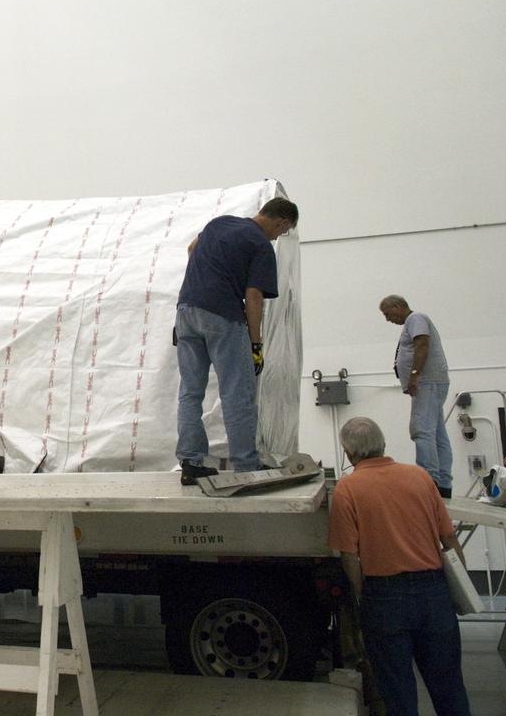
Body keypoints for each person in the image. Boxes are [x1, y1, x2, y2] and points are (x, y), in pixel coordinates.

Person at [327, 417, 471, 716]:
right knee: (449, 687)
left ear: (348, 452)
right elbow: (448, 539)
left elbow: (349, 556)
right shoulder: (419, 477)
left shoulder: (347, 489)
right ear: (383, 444)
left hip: (384, 598)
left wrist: (362, 592)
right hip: (434, 593)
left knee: (398, 691)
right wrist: (461, 586)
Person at [174, 196, 298, 485]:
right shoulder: (261, 246)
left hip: (186, 312)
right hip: (222, 316)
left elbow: (192, 248)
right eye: (284, 231)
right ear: (281, 221)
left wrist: (201, 285)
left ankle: (191, 462)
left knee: (190, 392)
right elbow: (254, 298)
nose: (280, 236)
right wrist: (256, 345)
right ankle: (247, 465)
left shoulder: (219, 223)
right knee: (237, 393)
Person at [379, 295, 453, 497]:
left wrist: (414, 375)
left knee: (422, 431)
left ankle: (428, 480)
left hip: (426, 383)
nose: (387, 319)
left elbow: (422, 344)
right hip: (432, 383)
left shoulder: (416, 318)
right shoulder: (414, 321)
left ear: (398, 306)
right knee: (437, 434)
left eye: (388, 313)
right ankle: (443, 482)